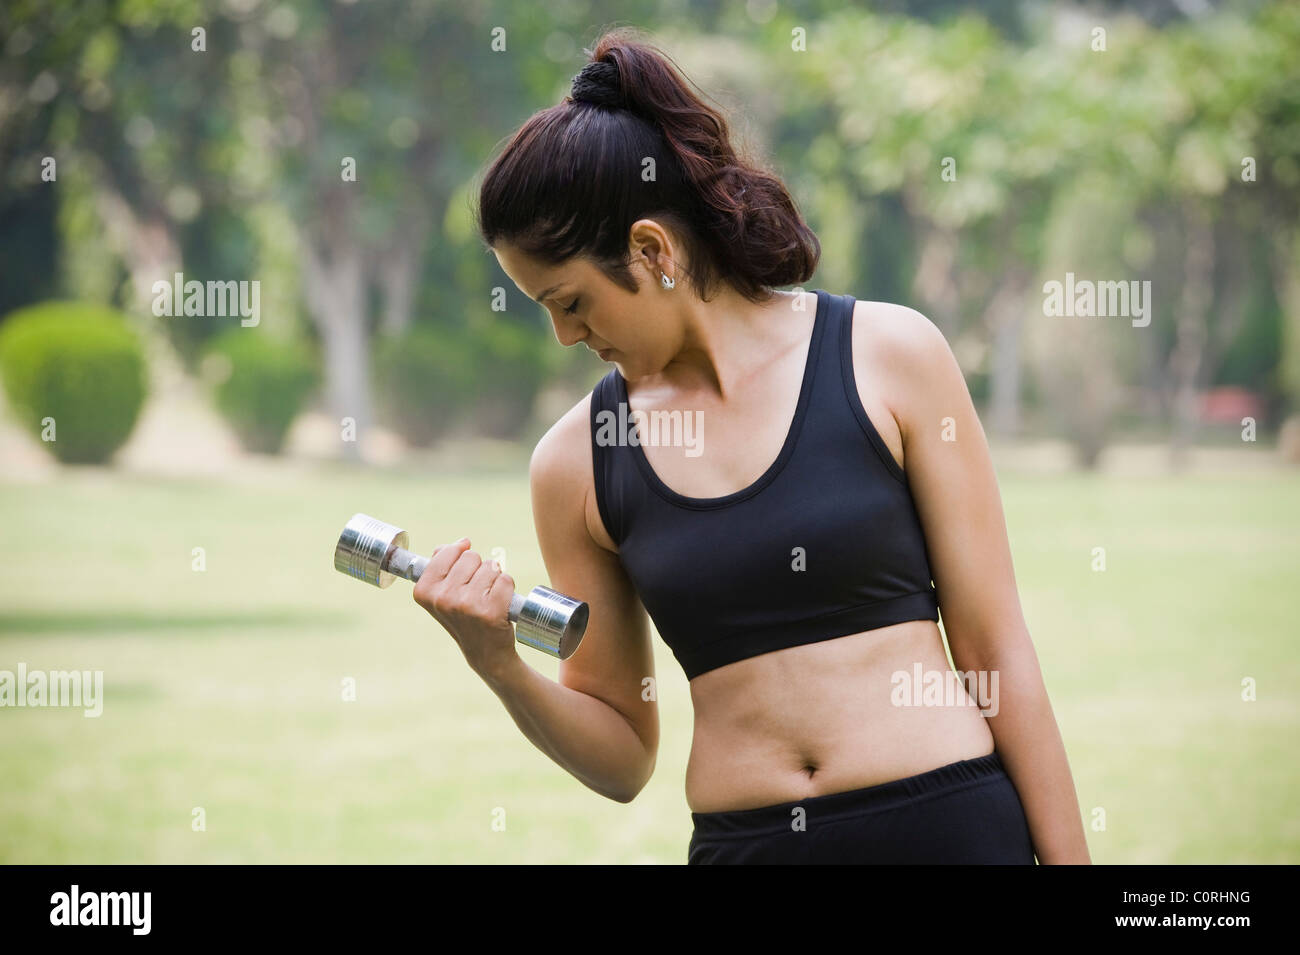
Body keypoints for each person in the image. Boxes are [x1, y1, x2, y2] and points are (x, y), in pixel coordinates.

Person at [414, 27, 1091, 864]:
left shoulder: (890, 357)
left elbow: (998, 654)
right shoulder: (576, 463)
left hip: (946, 828)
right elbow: (624, 754)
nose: (562, 336)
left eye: (573, 302)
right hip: (750, 847)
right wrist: (500, 665)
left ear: (651, 250)